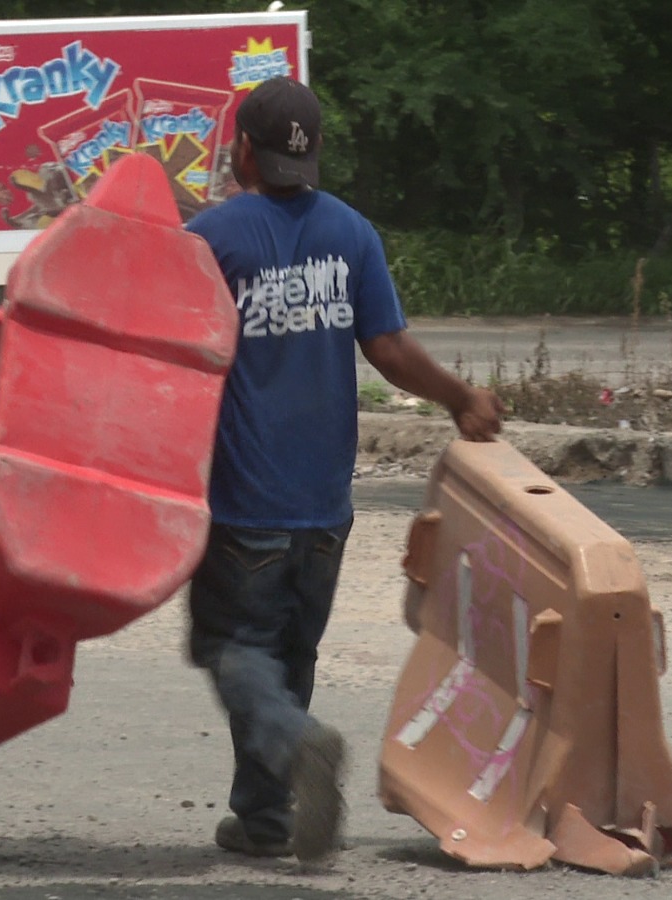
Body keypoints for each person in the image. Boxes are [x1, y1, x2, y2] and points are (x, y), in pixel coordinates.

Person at [182, 76, 505, 866]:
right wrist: (462, 396)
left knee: (232, 647)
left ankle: (297, 746)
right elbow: (389, 352)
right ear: (315, 152)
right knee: (289, 655)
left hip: (242, 498)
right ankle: (263, 820)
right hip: (325, 503)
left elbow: (165, 359)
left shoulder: (209, 241)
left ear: (243, 150)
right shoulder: (352, 233)